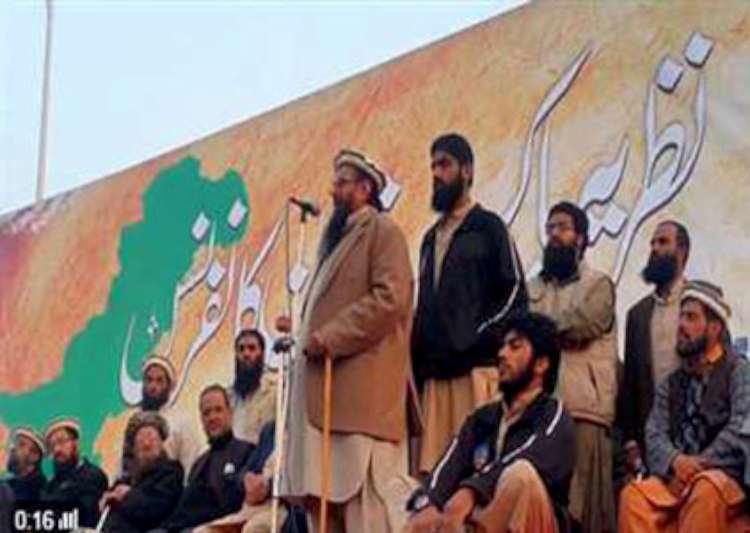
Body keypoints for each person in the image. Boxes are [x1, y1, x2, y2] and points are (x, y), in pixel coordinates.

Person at [278, 148, 414, 532]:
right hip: (324, 398)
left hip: (360, 400)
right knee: (323, 509)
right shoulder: (335, 241)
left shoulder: (383, 231)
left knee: (364, 512)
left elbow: (390, 299)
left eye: (342, 183)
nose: (332, 190)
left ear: (365, 188)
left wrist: (330, 337)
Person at [411, 133, 527, 474]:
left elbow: (514, 294)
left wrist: (477, 339)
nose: (436, 173)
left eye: (444, 164)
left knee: (477, 474)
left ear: (467, 170)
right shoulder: (430, 239)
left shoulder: (489, 227)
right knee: (435, 478)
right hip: (436, 381)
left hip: (476, 375)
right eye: (433, 166)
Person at [404, 312, 575, 533]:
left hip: (533, 522)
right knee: (414, 509)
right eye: (502, 346)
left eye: (514, 347)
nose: (502, 354)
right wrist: (426, 503)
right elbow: (448, 468)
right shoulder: (483, 418)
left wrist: (472, 490)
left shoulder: (554, 416)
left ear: (541, 364)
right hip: (479, 517)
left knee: (520, 476)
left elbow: (526, 458)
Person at [619, 280, 750, 532]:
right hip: (678, 476)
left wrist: (698, 465)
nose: (681, 325)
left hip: (724, 479)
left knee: (705, 489)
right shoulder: (672, 382)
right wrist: (676, 461)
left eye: (691, 317)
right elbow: (654, 432)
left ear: (714, 327)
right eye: (681, 316)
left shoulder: (739, 371)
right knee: (634, 496)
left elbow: (740, 431)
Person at [528, 201, 618, 532]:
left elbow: (582, 325)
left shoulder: (599, 285)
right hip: (538, 410)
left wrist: (537, 330)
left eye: (563, 227)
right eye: (550, 228)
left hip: (584, 411)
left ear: (581, 238)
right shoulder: (532, 288)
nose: (554, 234)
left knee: (584, 514)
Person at [618, 221, 691, 476]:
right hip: (652, 439)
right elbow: (631, 384)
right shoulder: (638, 314)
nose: (655, 249)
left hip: (697, 432)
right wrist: (630, 441)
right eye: (653, 243)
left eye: (663, 242)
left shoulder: (700, 305)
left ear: (682, 251)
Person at [158, 385, 253, 532]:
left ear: (230, 413)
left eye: (218, 410)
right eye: (206, 413)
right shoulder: (199, 464)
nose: (212, 417)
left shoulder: (247, 451)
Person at [121, 356, 203, 482]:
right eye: (149, 380)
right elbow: (124, 466)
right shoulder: (134, 422)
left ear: (169, 386)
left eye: (159, 381)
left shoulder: (181, 422)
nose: (153, 386)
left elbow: (190, 465)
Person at [100, 413, 183, 532]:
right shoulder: (126, 479)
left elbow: (156, 510)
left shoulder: (171, 472)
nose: (146, 443)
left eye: (151, 438)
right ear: (133, 448)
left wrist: (128, 495)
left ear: (161, 443)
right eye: (141, 439)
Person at [40, 418, 108, 528]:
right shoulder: (50, 487)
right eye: (52, 446)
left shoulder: (92, 476)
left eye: (61, 441)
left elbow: (86, 516)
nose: (57, 449)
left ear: (76, 443)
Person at [228, 329, 277, 446]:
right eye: (241, 349)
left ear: (262, 354)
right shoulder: (228, 398)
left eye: (252, 348)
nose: (246, 354)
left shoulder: (275, 393)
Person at [4, 427, 47, 503]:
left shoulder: (41, 492)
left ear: (34, 456)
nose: (12, 448)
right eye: (15, 443)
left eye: (21, 444)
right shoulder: (9, 484)